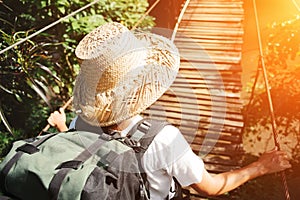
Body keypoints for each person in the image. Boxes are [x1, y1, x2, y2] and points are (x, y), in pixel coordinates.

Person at [47, 22, 291, 199]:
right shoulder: (163, 140)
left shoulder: (81, 123)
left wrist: (61, 127)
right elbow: (212, 187)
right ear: (144, 85)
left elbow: (77, 143)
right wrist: (261, 166)